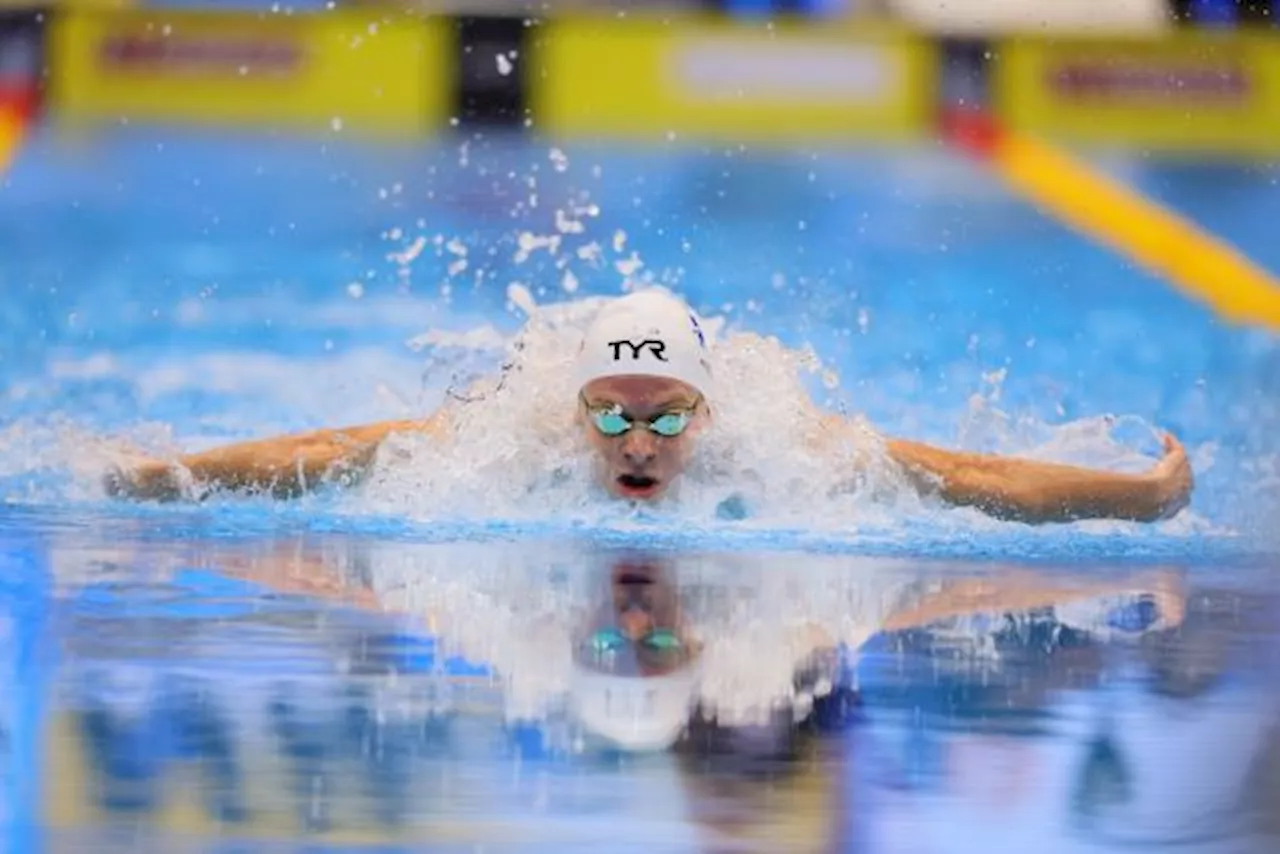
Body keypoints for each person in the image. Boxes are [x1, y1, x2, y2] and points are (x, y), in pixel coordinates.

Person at [105, 288, 1193, 524]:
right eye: (612, 415)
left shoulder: (782, 449)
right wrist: (167, 475)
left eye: (664, 415)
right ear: (572, 407)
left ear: (707, 415)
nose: (635, 440)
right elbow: (325, 450)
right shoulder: (503, 444)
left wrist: (1135, 500)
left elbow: (974, 477)